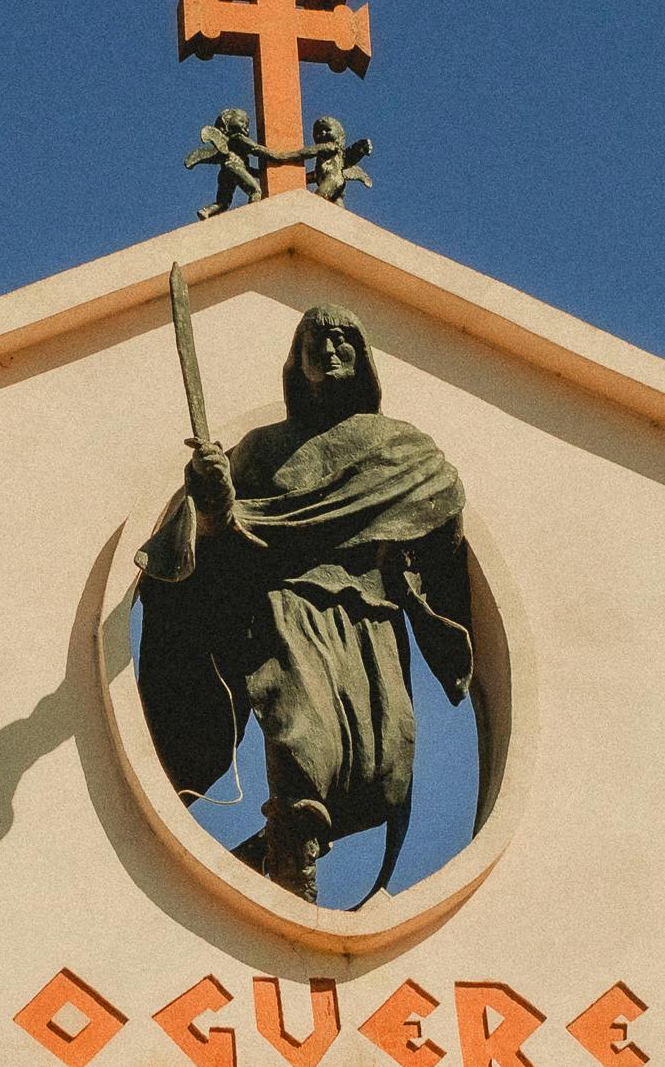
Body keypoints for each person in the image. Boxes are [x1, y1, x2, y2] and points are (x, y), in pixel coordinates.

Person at [136, 305, 471, 900]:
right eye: (318, 339)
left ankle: (276, 843)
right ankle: (294, 846)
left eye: (346, 337)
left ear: (364, 358)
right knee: (301, 735)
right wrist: (213, 505)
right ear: (297, 363)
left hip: (371, 619)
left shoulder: (404, 448)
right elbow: (219, 545)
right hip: (287, 612)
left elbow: (440, 498)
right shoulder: (262, 451)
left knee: (386, 768)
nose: (333, 348)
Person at [187, 108, 274, 216]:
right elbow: (260, 151)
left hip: (225, 172)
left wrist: (260, 173)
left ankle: (206, 211)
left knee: (223, 203)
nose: (245, 125)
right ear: (226, 123)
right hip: (233, 168)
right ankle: (252, 215)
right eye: (241, 121)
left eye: (247, 123)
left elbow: (245, 170)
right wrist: (289, 155)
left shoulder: (229, 145)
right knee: (255, 191)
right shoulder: (239, 138)